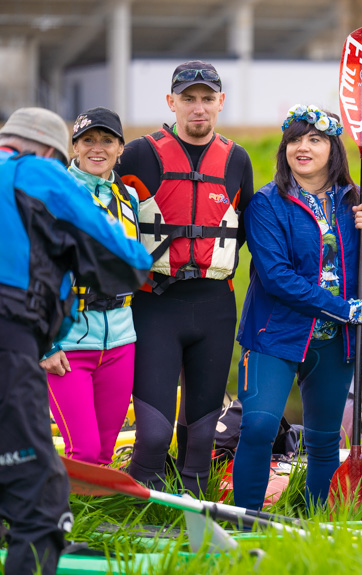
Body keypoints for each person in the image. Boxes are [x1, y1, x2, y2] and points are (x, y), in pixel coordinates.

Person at [0, 107, 151, 575]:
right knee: (39, 483)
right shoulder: (38, 172)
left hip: (109, 337)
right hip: (13, 335)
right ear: (53, 151)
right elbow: (128, 260)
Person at [232, 104, 362, 508]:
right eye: (295, 140)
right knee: (259, 426)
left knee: (323, 440)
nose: (303, 147)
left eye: (314, 139)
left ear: (332, 149)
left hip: (335, 343)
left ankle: (315, 527)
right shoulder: (267, 204)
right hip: (275, 334)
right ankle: (245, 523)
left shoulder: (353, 199)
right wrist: (342, 309)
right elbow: (276, 277)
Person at [117, 61, 255, 496]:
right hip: (155, 303)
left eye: (207, 98)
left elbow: (248, 228)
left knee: (200, 440)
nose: (199, 108)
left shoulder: (236, 159)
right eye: (189, 98)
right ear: (171, 102)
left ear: (220, 102)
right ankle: (137, 511)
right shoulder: (139, 154)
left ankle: (192, 513)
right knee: (154, 435)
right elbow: (102, 209)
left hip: (215, 306)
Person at [40, 107, 140, 466]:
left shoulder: (128, 200)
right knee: (82, 451)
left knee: (101, 453)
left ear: (120, 149)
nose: (97, 148)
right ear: (75, 146)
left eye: (107, 140)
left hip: (120, 344)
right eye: (88, 140)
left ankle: (91, 521)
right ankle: (61, 521)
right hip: (67, 347)